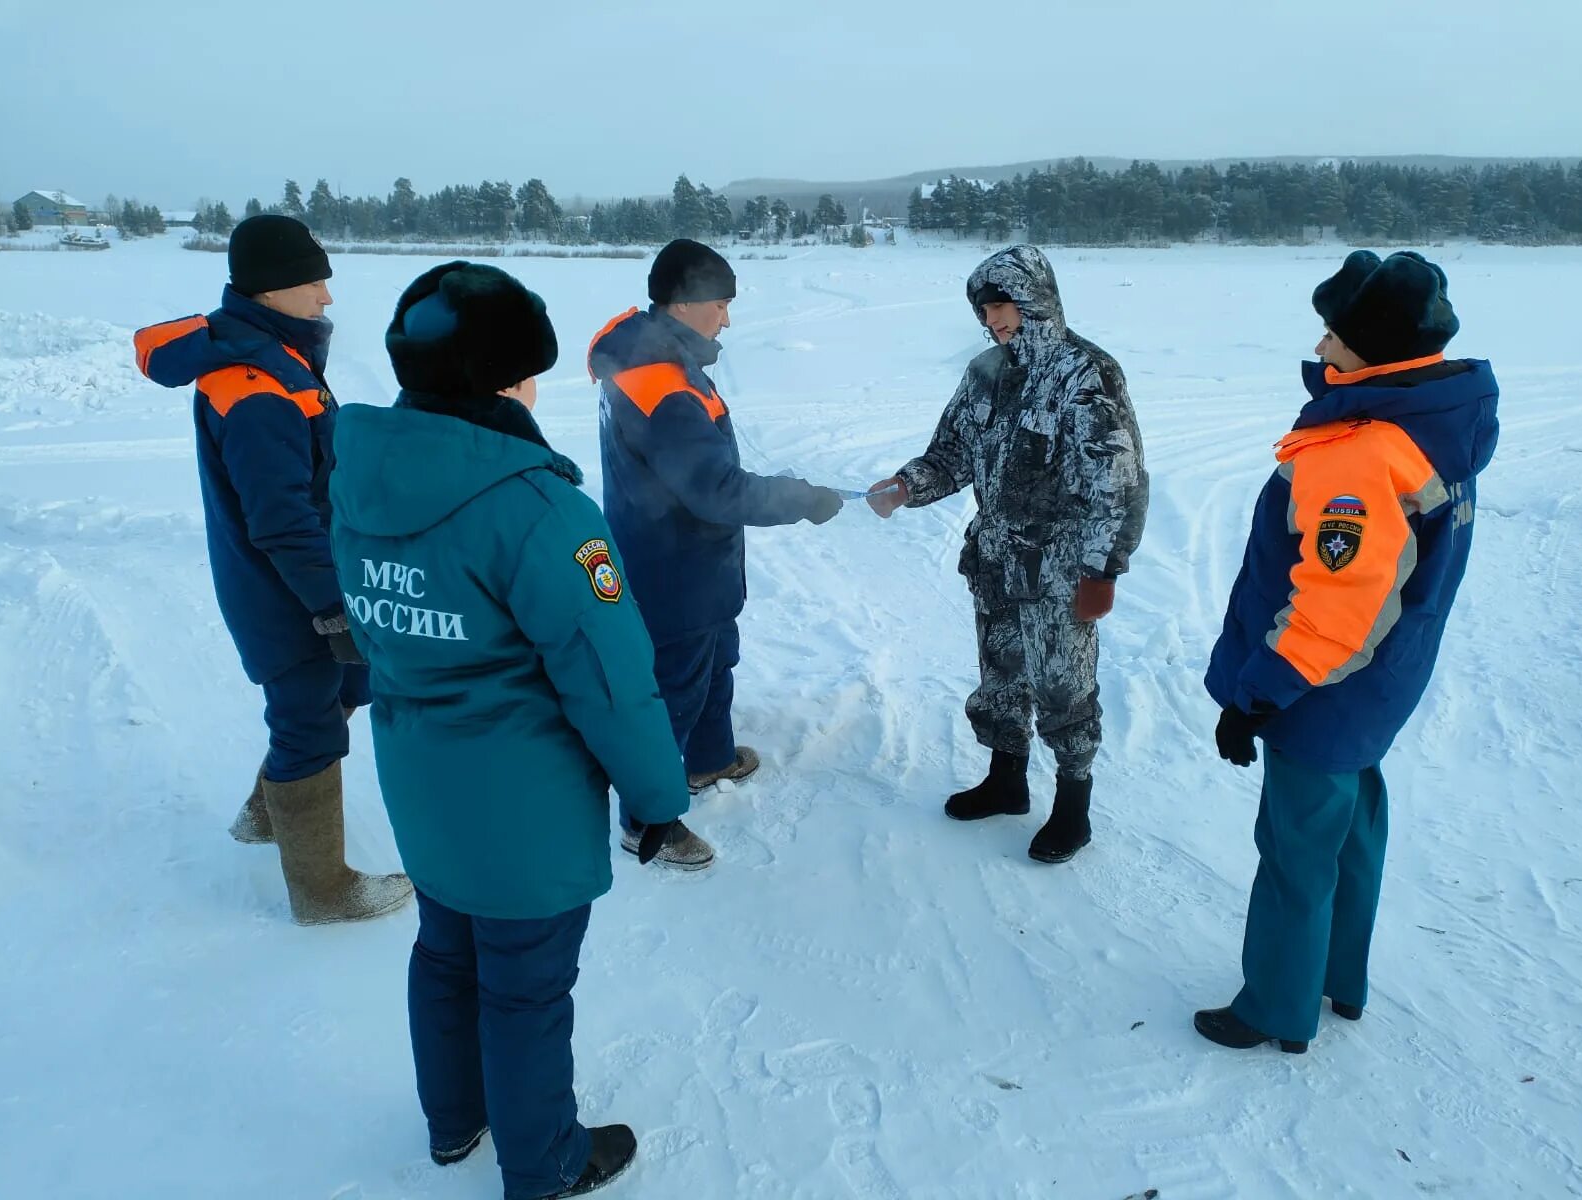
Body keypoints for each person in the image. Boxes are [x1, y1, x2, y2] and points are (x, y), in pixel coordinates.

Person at [329, 261, 691, 1197]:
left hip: (421, 779)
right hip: (521, 808)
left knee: (445, 953)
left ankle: (456, 1122)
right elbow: (613, 683)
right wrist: (657, 801)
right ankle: (546, 1165)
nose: (536, 387)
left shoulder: (358, 477)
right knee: (526, 989)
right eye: (527, 370)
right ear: (500, 380)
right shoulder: (542, 514)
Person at [1196, 251, 1498, 1054]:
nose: (1322, 349)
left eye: (1335, 335)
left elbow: (1338, 605)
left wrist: (1259, 695)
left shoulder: (1361, 453)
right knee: (1352, 827)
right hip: (1380, 686)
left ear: (1380, 350)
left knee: (1296, 851)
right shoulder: (1434, 420)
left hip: (1321, 691)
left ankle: (1275, 1008)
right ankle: (1339, 978)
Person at [132, 214, 411, 925]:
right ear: (268, 290)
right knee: (307, 719)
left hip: (305, 579)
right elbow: (281, 518)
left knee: (343, 688)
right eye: (312, 281)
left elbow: (313, 471)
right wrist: (331, 605)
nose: (325, 297)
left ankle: (267, 814)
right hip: (282, 593)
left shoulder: (273, 356)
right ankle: (322, 891)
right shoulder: (254, 384)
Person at [867, 244, 1147, 863]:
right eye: (986, 310)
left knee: (1061, 687)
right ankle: (1006, 780)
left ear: (1036, 302)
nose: (994, 320)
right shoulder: (986, 373)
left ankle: (1073, 808)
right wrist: (909, 485)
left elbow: (1117, 482)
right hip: (995, 559)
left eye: (1004, 306)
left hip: (1060, 569)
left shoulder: (1087, 374)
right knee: (1000, 675)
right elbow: (953, 451)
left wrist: (1103, 568)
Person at [587, 239, 844, 869]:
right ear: (685, 303)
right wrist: (801, 498)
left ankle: (709, 760)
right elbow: (715, 489)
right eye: (721, 305)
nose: (726, 319)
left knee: (714, 663)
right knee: (672, 688)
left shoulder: (657, 357)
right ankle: (648, 822)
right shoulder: (663, 386)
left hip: (696, 562)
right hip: (673, 567)